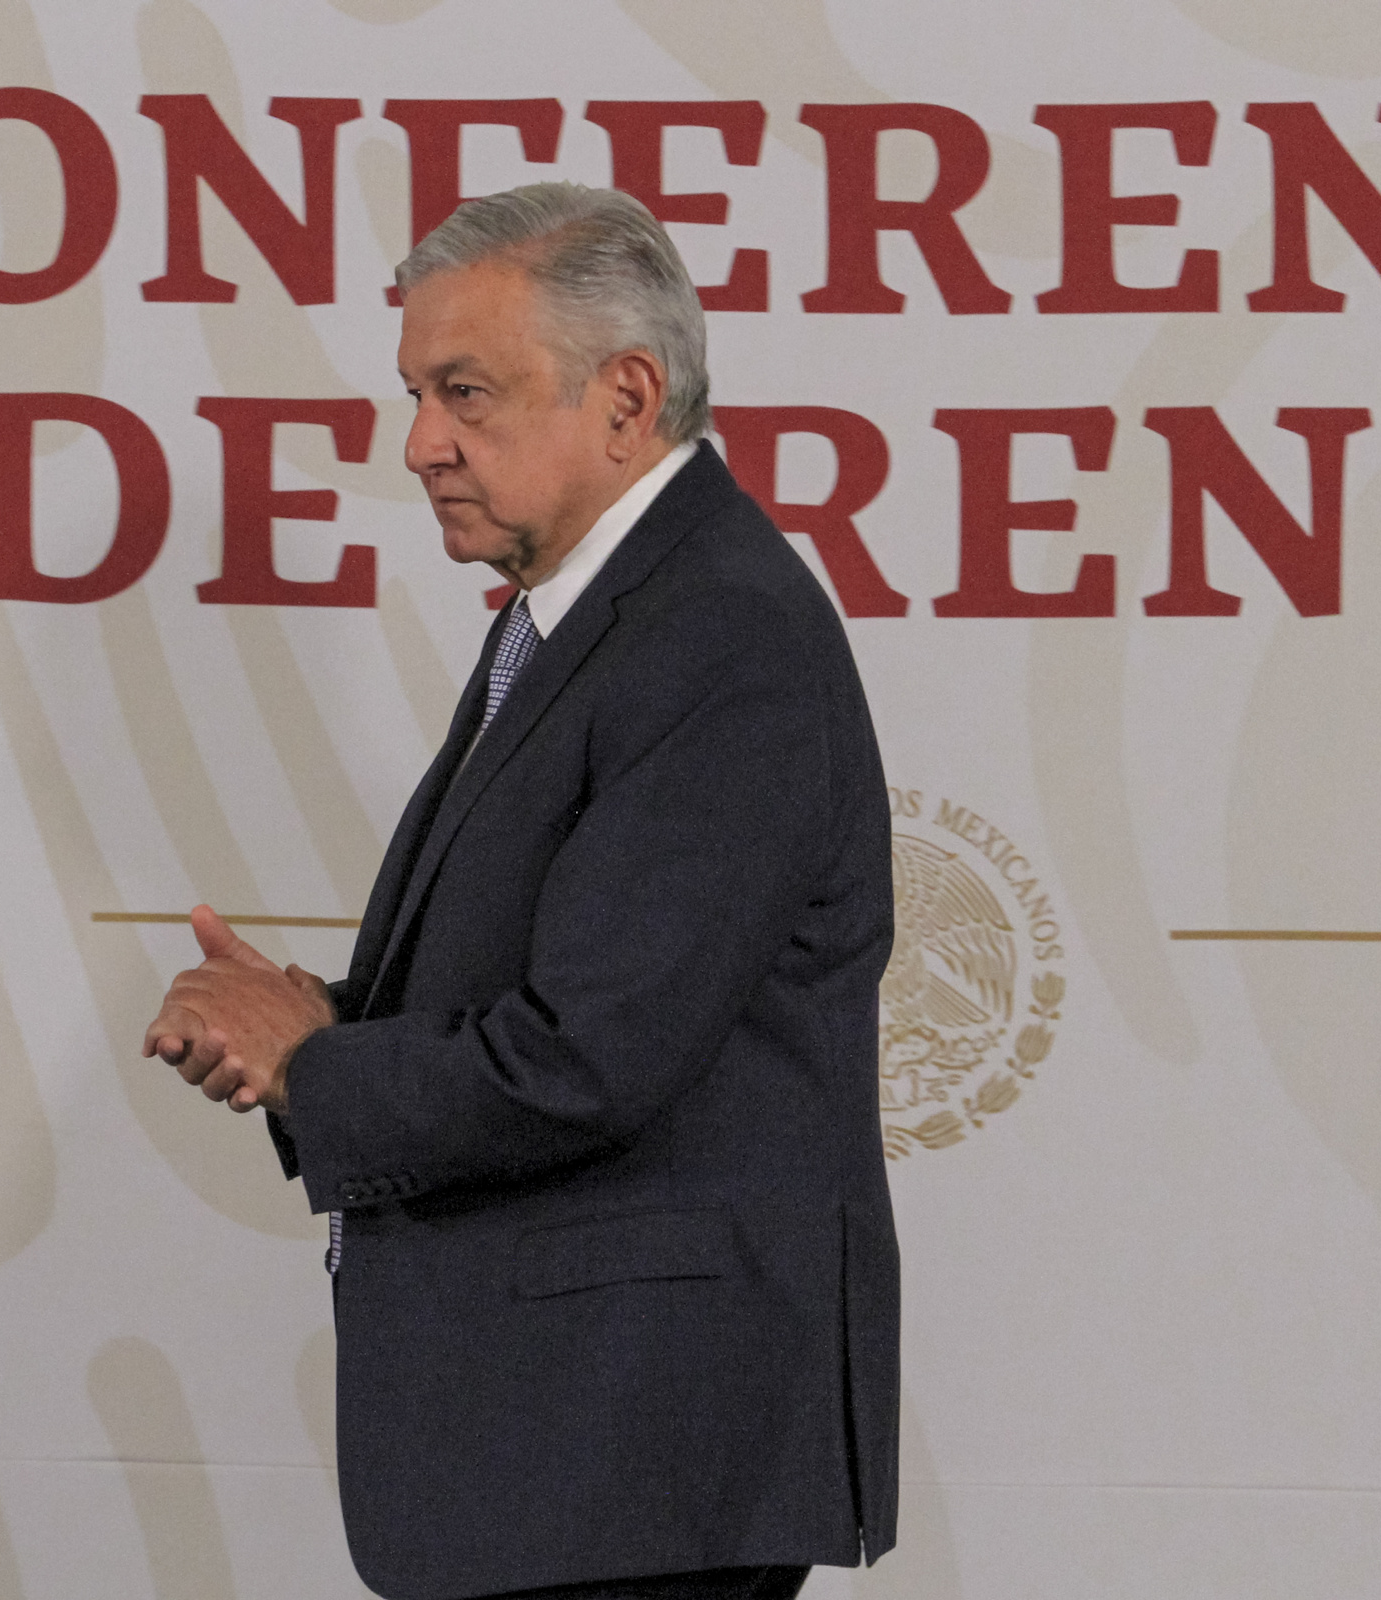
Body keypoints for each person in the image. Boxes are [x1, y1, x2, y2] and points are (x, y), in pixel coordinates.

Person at [140, 183, 900, 1600]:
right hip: (579, 1453)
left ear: (626, 398)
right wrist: (319, 1024)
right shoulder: (600, 623)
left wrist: (320, 1067)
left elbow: (593, 1053)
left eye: (464, 393)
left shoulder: (716, 632)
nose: (421, 444)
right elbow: (570, 990)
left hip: (632, 1451)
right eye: (417, 394)